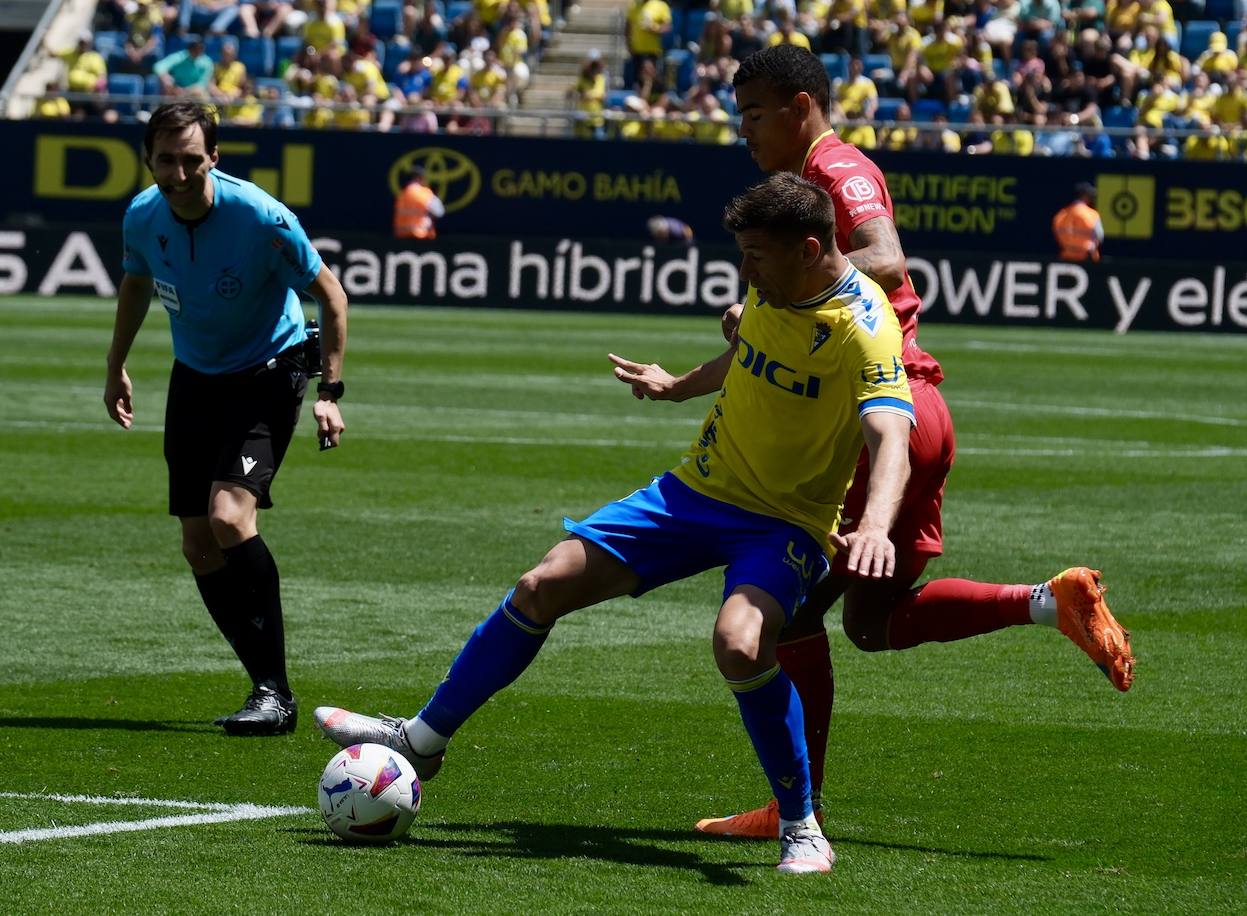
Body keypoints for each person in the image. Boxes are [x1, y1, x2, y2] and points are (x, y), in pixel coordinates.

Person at [316, 171, 919, 875]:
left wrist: (875, 523)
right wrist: (678, 384)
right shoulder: (774, 284)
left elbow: (891, 435)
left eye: (756, 254)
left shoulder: (864, 328)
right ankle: (423, 737)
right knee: (542, 583)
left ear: (811, 248)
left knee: (739, 641)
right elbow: (750, 354)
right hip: (695, 492)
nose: (743, 269)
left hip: (784, 523)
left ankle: (801, 824)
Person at [626, 44, 1133, 839]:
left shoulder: (839, 168)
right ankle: (1048, 601)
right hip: (914, 413)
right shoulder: (803, 201)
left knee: (783, 621)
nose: (744, 130)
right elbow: (774, 344)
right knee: (871, 620)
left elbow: (887, 256)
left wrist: (786, 284)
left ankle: (798, 812)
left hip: (878, 420)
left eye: (755, 113)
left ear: (799, 106)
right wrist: (681, 382)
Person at [103, 102, 348, 736]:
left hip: (268, 371)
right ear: (149, 159)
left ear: (214, 157)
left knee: (228, 517)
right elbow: (135, 282)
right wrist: (116, 365)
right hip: (195, 380)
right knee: (196, 543)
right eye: (166, 160)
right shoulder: (142, 215)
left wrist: (331, 390)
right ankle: (266, 687)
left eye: (191, 159)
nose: (179, 173)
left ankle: (276, 691)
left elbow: (331, 295)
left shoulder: (261, 216)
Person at [1052, 181, 1104, 261]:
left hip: (1066, 257)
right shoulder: (1092, 215)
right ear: (1085, 196)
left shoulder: (1061, 214)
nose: (1091, 198)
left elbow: (1057, 233)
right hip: (1087, 258)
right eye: (1090, 195)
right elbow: (1100, 236)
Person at [393, 166, 445, 239]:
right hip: (421, 236)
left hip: (401, 237)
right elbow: (439, 212)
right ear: (419, 178)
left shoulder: (402, 195)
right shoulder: (425, 194)